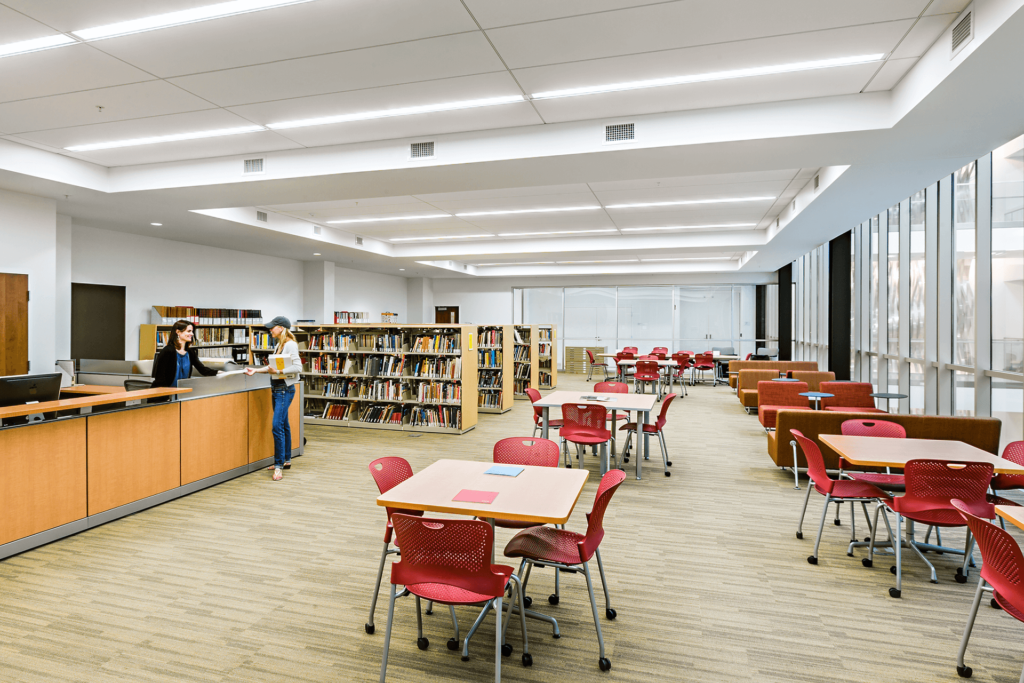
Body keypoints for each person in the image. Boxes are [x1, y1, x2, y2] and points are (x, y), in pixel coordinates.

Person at [245, 316, 303, 481]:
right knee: (284, 425)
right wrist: (256, 371)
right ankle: (286, 460)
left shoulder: (290, 344)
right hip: (277, 388)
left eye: (273, 327)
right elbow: (273, 367)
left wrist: (277, 373)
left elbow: (298, 367)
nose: (270, 330)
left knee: (276, 426)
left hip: (284, 389)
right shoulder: (280, 344)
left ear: (282, 328)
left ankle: (278, 466)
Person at [151, 319, 220, 389]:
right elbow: (160, 377)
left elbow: (202, 370)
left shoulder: (190, 352)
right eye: (189, 331)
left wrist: (220, 372)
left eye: (192, 331)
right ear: (178, 332)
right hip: (164, 395)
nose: (192, 334)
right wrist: (167, 395)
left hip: (181, 393)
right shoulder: (167, 351)